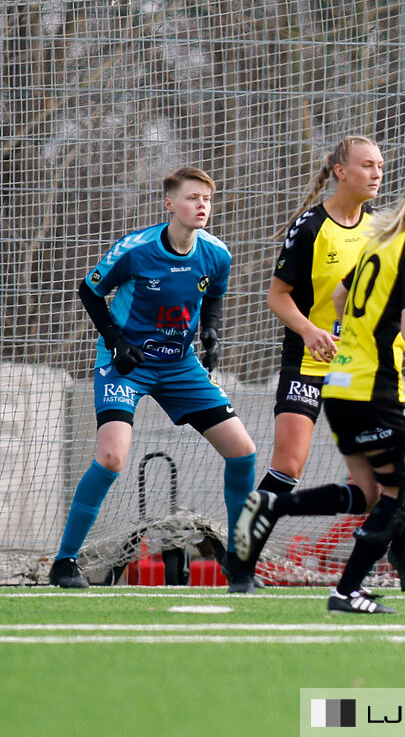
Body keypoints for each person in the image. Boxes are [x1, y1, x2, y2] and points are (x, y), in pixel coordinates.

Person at [234, 160, 405, 614]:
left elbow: (338, 296)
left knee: (371, 493)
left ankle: (276, 511)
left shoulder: (379, 241)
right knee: (399, 493)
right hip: (374, 388)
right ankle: (345, 589)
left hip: (340, 384)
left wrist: (354, 331)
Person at [51, 168, 257, 592]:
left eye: (207, 199)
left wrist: (211, 332)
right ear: (169, 204)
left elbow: (213, 293)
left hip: (180, 365)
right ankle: (64, 562)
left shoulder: (217, 253)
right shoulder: (136, 250)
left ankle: (239, 563)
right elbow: (89, 290)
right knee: (112, 458)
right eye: (192, 198)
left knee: (243, 451)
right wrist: (115, 339)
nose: (202, 205)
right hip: (126, 363)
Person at [257, 137, 404, 586]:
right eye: (367, 165)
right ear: (340, 171)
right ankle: (243, 552)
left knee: (386, 480)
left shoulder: (382, 230)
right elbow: (277, 297)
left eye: (380, 166)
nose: (377, 173)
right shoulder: (310, 227)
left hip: (358, 372)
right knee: (289, 466)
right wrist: (309, 329)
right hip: (307, 361)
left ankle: (400, 563)